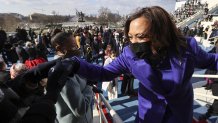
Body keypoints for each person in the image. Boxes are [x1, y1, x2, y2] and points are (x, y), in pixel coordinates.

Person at [61, 6, 218, 123]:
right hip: (148, 118)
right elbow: (104, 73)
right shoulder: (129, 54)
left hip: (180, 117)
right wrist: (74, 64)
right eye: (130, 37)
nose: (133, 43)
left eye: (140, 36)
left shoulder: (187, 47)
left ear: (161, 33)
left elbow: (212, 61)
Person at [51, 32, 93, 123]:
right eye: (73, 46)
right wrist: (89, 85)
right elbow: (80, 110)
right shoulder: (63, 71)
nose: (77, 49)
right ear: (59, 48)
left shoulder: (69, 64)